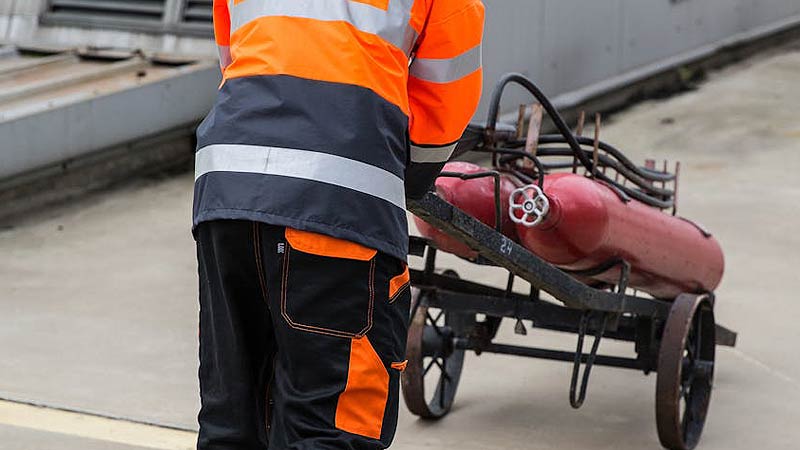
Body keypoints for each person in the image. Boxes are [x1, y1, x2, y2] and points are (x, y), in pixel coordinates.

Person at [193, 0, 484, 448]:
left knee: (232, 421)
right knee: (330, 427)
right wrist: (404, 181)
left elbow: (232, 55)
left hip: (227, 185)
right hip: (338, 199)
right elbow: (445, 95)